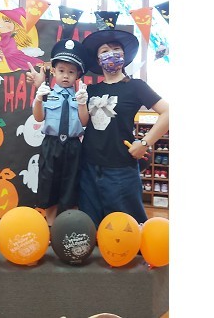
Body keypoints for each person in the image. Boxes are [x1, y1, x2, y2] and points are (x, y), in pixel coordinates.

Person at [76, 29, 170, 227]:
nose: (111, 53)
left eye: (116, 49)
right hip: (89, 167)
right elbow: (84, 122)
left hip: (121, 169)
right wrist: (81, 103)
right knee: (91, 227)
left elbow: (168, 112)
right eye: (104, 51)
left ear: (124, 55)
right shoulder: (91, 90)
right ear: (98, 59)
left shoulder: (136, 86)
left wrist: (144, 143)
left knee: (126, 228)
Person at [27, 38, 92, 226]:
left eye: (71, 72)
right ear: (53, 71)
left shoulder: (80, 96)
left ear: (78, 75)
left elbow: (84, 121)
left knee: (71, 185)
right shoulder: (46, 93)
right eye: (61, 71)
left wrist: (82, 104)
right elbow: (39, 118)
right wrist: (38, 99)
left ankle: (67, 227)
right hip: (51, 145)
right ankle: (50, 224)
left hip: (73, 146)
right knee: (49, 184)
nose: (66, 76)